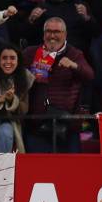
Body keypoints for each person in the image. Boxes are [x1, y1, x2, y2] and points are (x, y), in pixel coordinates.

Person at [23, 17, 94, 153]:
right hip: (36, 125)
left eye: (57, 32)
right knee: (37, 172)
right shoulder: (30, 53)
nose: (52, 36)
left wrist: (74, 65)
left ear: (65, 34)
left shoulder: (75, 54)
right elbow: (12, 75)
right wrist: (28, 75)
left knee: (69, 172)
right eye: (48, 31)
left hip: (66, 127)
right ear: (43, 34)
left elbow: (90, 76)